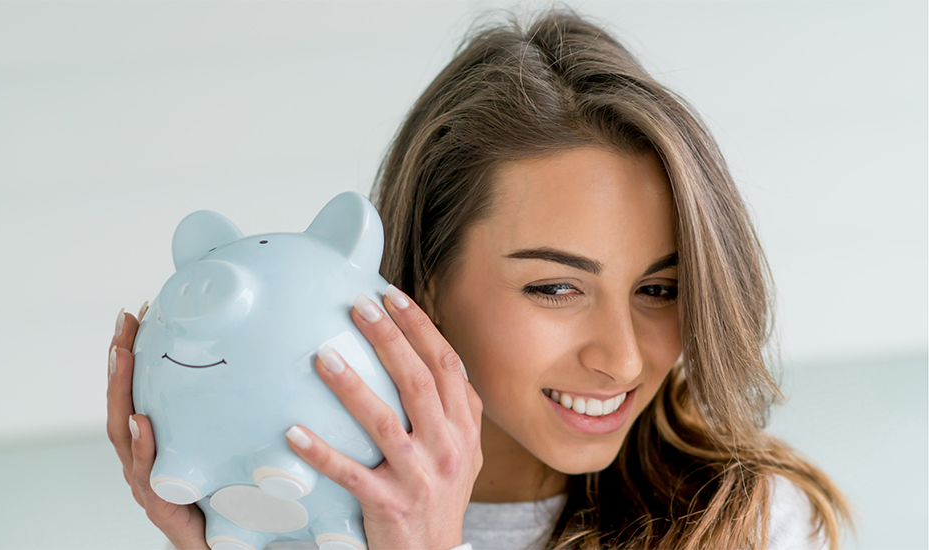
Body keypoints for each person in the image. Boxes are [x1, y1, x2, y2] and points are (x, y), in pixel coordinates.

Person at [107, 7, 851, 550]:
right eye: (556, 288)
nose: (623, 359)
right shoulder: (290, 510)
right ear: (425, 281)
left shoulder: (750, 525)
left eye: (659, 289)